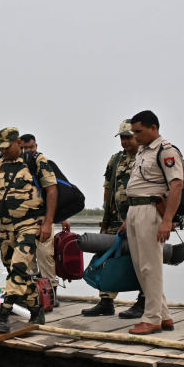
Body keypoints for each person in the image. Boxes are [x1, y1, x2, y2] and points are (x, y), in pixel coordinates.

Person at [0, 128, 57, 333]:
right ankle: (36, 309)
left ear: (17, 142)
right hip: (5, 225)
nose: (3, 151)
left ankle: (5, 313)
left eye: (7, 147)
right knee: (14, 270)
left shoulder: (35, 160)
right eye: (0, 147)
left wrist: (48, 223)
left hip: (30, 224)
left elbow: (52, 189)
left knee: (19, 267)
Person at [120, 110, 184, 335]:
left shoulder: (166, 150)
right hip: (136, 210)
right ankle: (164, 316)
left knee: (150, 266)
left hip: (151, 210)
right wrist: (129, 218)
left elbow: (176, 185)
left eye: (139, 131)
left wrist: (167, 220)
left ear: (153, 128)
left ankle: (152, 318)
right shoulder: (142, 151)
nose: (135, 136)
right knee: (141, 267)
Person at [81, 120, 145, 317]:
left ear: (137, 136)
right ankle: (106, 301)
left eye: (128, 137)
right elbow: (108, 188)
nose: (125, 142)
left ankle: (144, 301)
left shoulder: (147, 157)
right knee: (106, 257)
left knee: (143, 260)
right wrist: (105, 218)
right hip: (115, 219)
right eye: (122, 138)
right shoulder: (116, 159)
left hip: (141, 219)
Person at [19, 134, 70, 292]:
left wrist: (62, 218)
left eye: (31, 147)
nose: (28, 151)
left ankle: (51, 290)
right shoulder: (16, 167)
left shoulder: (45, 164)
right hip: (23, 219)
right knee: (26, 256)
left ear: (36, 146)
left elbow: (57, 192)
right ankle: (32, 289)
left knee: (45, 254)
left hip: (44, 218)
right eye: (24, 148)